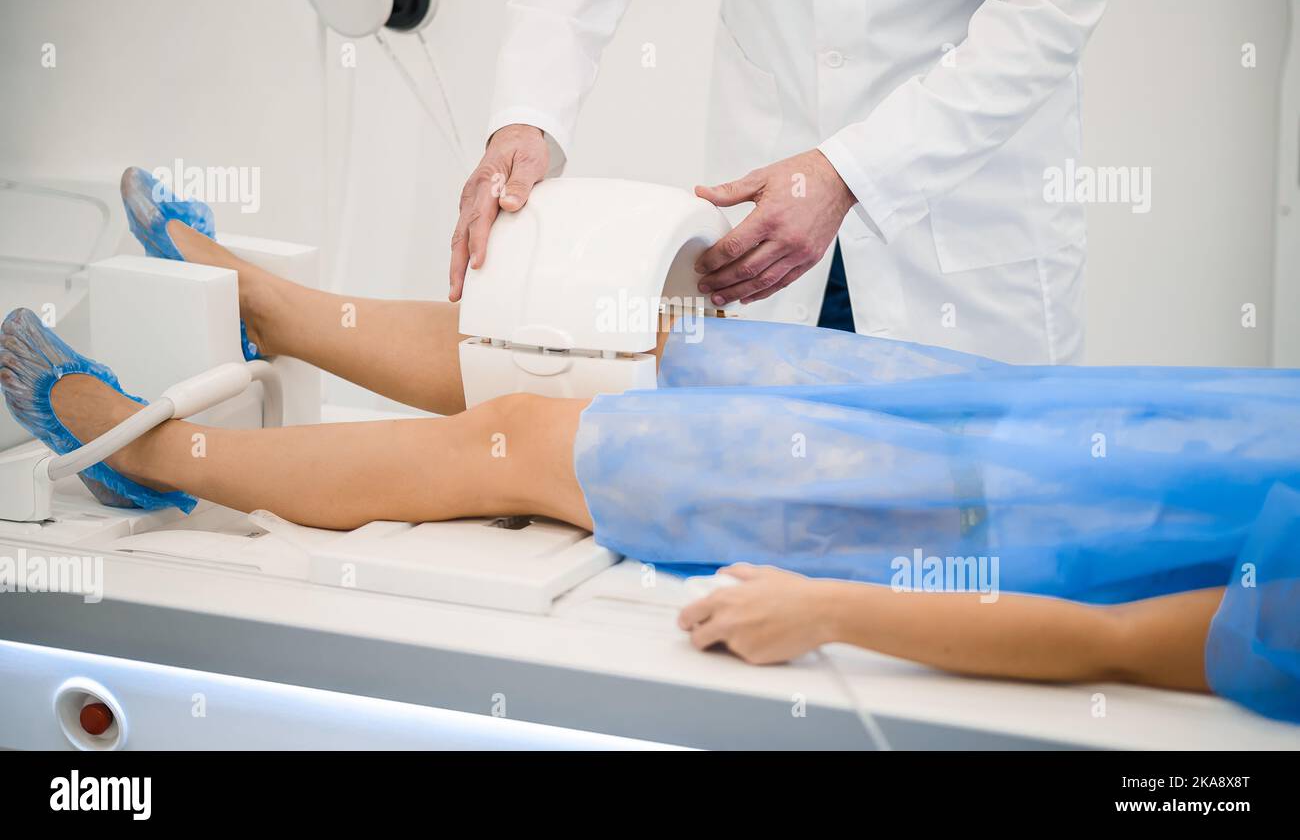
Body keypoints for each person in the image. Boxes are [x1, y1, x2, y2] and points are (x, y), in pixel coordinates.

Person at [2, 168, 1296, 724]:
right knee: (635, 350)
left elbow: (1130, 644)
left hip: (959, 513)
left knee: (524, 437)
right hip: (1005, 413)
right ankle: (266, 302)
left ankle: (152, 455)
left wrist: (828, 608)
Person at [451, 0, 1117, 364]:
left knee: (970, 523)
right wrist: (526, 117)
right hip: (771, 209)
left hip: (962, 211)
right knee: (772, 514)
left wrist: (853, 172)